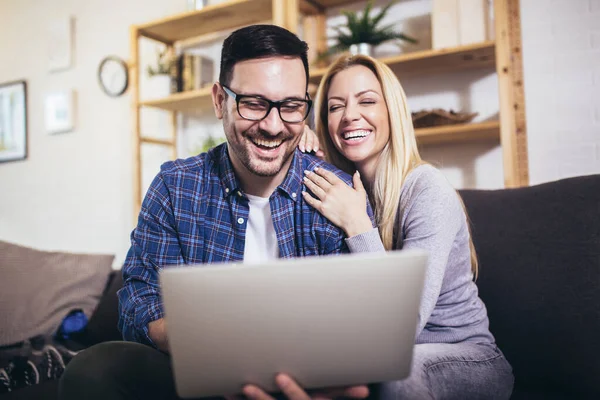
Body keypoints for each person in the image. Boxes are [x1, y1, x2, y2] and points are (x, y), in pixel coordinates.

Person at [58, 25, 374, 400]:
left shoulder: (337, 193)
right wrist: (188, 339)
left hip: (304, 382)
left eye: (290, 107)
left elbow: (359, 323)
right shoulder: (176, 187)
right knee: (94, 370)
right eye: (254, 103)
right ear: (219, 100)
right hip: (196, 377)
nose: (273, 126)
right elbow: (137, 301)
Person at [299, 54, 515, 400]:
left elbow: (402, 328)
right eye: (335, 107)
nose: (349, 115)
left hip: (466, 357)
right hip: (378, 354)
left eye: (367, 101)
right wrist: (302, 152)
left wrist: (357, 225)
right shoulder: (341, 192)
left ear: (392, 112)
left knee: (398, 372)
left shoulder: (427, 189)